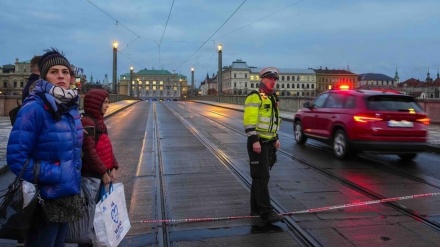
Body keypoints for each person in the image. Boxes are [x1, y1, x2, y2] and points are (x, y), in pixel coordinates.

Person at [7, 48, 84, 247]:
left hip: (66, 196)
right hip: (44, 199)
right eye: (54, 72)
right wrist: (56, 174)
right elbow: (16, 158)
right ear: (44, 77)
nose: (61, 76)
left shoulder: (69, 107)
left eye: (65, 72)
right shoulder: (34, 108)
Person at [78, 88, 118, 247]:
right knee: (90, 215)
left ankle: (99, 241)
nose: (107, 105)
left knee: (99, 213)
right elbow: (90, 152)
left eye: (108, 102)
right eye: (105, 102)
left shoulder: (99, 121)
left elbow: (106, 146)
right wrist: (103, 172)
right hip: (91, 177)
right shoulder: (87, 122)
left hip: (101, 175)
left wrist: (113, 166)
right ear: (95, 104)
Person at [243, 66, 284, 224]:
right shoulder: (255, 97)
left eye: (275, 79)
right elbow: (249, 121)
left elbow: (274, 121)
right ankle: (266, 212)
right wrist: (255, 141)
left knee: (259, 177)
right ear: (263, 80)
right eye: (270, 79)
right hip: (258, 142)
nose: (273, 82)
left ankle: (255, 208)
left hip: (268, 142)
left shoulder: (272, 98)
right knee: (262, 177)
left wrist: (275, 138)